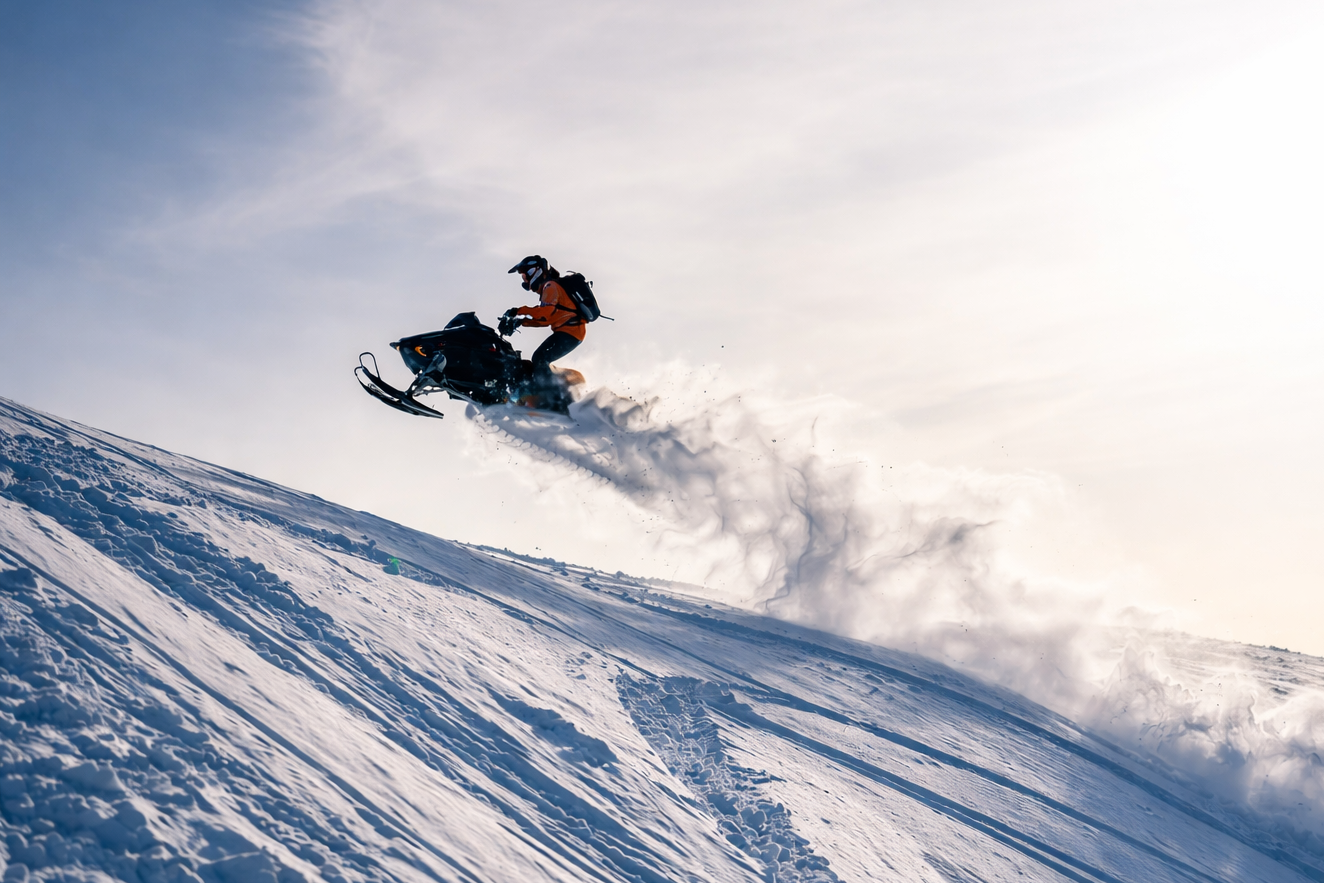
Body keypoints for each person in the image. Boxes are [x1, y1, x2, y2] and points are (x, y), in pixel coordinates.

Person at [501, 255, 586, 377]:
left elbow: (545, 314)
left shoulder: (550, 286)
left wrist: (518, 311)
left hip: (570, 333)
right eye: (523, 277)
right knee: (540, 358)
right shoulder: (550, 287)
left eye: (526, 275)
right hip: (570, 332)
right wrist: (519, 322)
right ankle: (556, 380)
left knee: (540, 358)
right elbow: (544, 319)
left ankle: (547, 387)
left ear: (537, 271)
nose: (525, 280)